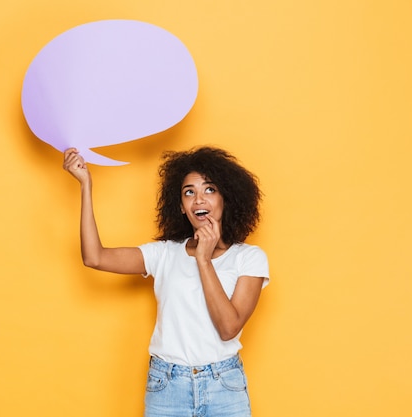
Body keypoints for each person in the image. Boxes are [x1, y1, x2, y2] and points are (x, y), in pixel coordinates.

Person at [63, 146, 270, 417]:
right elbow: (95, 257)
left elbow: (229, 328)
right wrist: (85, 185)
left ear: (225, 198)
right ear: (182, 209)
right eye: (189, 192)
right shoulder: (165, 253)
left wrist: (204, 260)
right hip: (167, 386)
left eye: (209, 190)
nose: (199, 200)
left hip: (224, 386)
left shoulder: (249, 258)